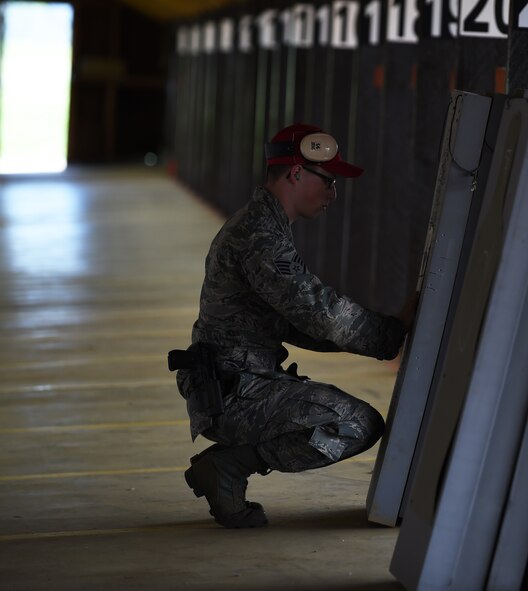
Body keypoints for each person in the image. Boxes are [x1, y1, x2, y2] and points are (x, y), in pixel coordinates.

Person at [171, 123, 414, 528]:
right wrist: (391, 334)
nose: (333, 194)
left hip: (236, 382)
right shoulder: (260, 237)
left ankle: (227, 469)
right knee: (357, 423)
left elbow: (298, 324)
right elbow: (316, 311)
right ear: (296, 173)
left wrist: (385, 334)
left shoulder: (263, 227)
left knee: (349, 416)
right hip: (234, 391)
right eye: (328, 180)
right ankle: (229, 467)